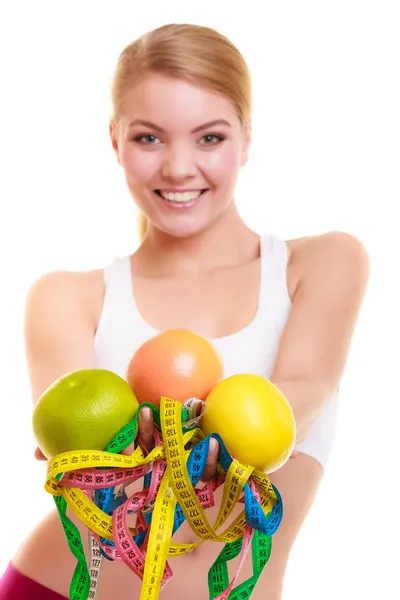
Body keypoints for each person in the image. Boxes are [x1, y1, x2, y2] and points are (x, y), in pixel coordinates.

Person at [0, 22, 369, 600]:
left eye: (209, 138)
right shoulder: (67, 298)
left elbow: (304, 387)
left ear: (247, 137)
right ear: (115, 140)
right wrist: (111, 456)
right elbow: (76, 457)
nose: (177, 168)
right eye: (149, 138)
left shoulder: (319, 266)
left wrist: (196, 433)